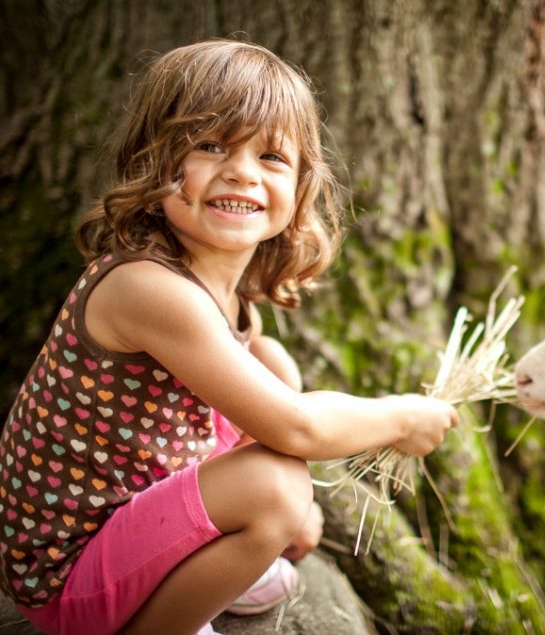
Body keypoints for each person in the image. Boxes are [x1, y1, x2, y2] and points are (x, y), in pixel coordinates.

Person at [0, 39, 459, 635]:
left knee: (270, 362)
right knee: (278, 488)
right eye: (210, 145)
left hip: (134, 511)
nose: (241, 170)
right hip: (68, 577)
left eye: (271, 156)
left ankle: (211, 567)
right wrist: (402, 417)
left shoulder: (227, 296)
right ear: (153, 159)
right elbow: (296, 428)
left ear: (300, 186)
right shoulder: (147, 288)